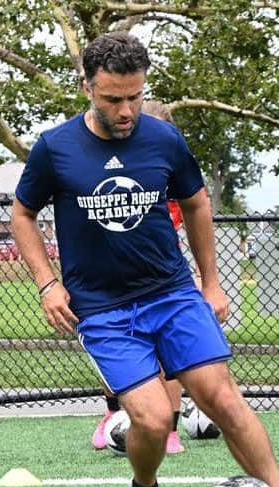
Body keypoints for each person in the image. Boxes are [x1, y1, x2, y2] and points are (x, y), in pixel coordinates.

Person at [11, 31, 279, 487]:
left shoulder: (164, 139)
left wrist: (212, 283)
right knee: (153, 420)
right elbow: (22, 213)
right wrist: (48, 283)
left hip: (173, 296)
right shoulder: (56, 148)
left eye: (134, 96)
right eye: (113, 99)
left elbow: (197, 203)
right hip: (104, 310)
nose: (126, 109)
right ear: (88, 88)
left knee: (222, 397)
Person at [91, 99, 185, 456]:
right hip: (109, 280)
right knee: (115, 346)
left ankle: (171, 430)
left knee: (168, 356)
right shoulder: (107, 170)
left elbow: (184, 215)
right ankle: (113, 415)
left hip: (160, 278)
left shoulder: (169, 172)